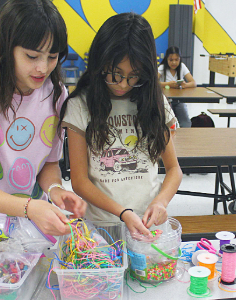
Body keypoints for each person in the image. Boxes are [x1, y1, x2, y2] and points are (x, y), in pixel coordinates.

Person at [0, 0, 86, 237]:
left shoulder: (56, 93)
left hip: (28, 218)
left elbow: (49, 164)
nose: (42, 68)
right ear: (6, 46)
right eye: (32, 56)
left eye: (52, 57)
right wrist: (30, 208)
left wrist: (54, 190)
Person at [59, 13, 182, 238]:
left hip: (148, 225)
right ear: (99, 63)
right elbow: (79, 181)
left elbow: (174, 169)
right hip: (101, 226)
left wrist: (161, 203)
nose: (124, 84)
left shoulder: (154, 102)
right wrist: (123, 212)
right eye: (115, 74)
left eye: (134, 76)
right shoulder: (80, 105)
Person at [158, 46, 197, 128]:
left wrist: (185, 85)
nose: (174, 62)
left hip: (179, 100)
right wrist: (168, 84)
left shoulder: (182, 67)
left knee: (186, 123)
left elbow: (193, 83)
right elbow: (153, 82)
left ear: (180, 59)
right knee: (166, 123)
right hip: (165, 101)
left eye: (177, 60)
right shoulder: (162, 68)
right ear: (166, 59)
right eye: (171, 60)